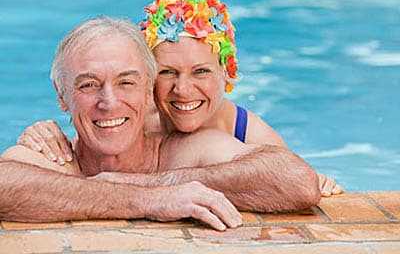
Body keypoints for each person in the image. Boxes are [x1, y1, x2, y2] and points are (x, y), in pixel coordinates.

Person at [0, 16, 321, 231]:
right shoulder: (56, 156)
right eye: (88, 85)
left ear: (149, 92)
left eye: (126, 82)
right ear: (61, 97)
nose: (108, 102)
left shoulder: (187, 150)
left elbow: (297, 181)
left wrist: (154, 182)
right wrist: (149, 200)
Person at [16, 0, 343, 196]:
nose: (183, 90)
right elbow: (98, 112)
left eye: (201, 71)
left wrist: (318, 180)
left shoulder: (246, 129)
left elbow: (292, 178)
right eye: (167, 73)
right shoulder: (133, 114)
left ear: (226, 72)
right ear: (149, 82)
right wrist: (43, 130)